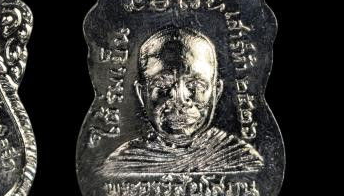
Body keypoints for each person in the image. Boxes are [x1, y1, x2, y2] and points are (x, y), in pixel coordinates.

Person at [101, 26, 263, 177]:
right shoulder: (121, 164)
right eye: (162, 85)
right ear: (142, 94)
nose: (179, 100)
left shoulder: (242, 160)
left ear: (216, 91)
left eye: (196, 85)